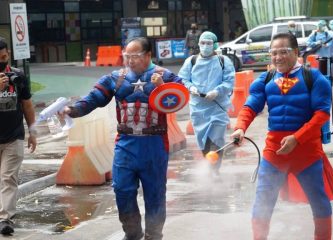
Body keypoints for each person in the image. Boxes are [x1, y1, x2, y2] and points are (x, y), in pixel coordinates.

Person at [60, 37, 182, 240]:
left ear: (148, 55)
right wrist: (71, 110)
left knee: (155, 194)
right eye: (127, 56)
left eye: (135, 56)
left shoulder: (165, 76)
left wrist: (162, 88)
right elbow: (93, 99)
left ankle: (154, 235)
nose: (130, 60)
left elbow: (180, 98)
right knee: (122, 190)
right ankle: (132, 233)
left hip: (154, 145)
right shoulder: (116, 78)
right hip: (126, 144)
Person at [231, 33, 333, 240]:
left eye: (283, 52)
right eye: (273, 53)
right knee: (262, 202)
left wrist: (297, 138)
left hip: (307, 153)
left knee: (319, 201)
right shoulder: (265, 79)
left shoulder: (315, 79)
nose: (277, 57)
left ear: (296, 52)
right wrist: (240, 128)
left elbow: (322, 115)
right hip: (274, 153)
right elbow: (251, 105)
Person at [178, 31, 235, 175]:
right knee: (202, 140)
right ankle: (209, 164)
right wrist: (191, 87)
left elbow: (229, 81)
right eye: (202, 43)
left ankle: (214, 170)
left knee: (216, 139)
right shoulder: (191, 61)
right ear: (198, 44)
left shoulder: (224, 61)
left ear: (215, 45)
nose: (205, 46)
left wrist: (217, 91)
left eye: (209, 43)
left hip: (217, 106)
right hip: (198, 108)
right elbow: (183, 79)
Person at [0, 38, 37, 235]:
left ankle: (5, 219)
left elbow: (27, 104)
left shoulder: (17, 76)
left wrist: (33, 131)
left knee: (8, 178)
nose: (2, 62)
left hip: (14, 137)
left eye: (4, 58)